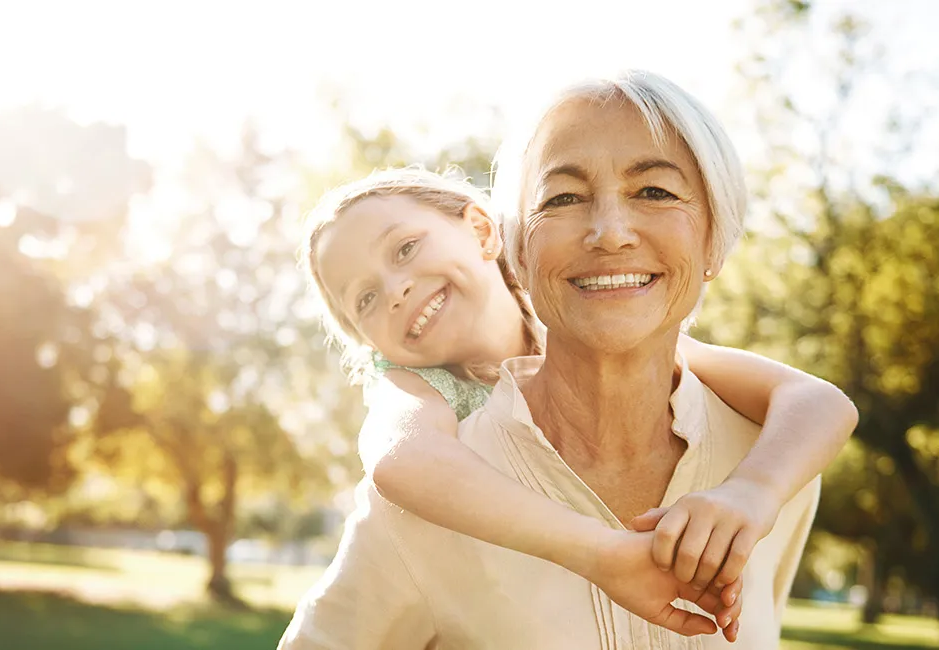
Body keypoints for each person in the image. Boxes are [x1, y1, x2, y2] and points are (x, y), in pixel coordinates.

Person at [282, 69, 825, 648]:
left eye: (654, 191)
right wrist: (601, 552)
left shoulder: (763, 454)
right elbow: (399, 459)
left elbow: (815, 398)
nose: (396, 290)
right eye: (365, 298)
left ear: (485, 232)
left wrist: (754, 491)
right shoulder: (417, 428)